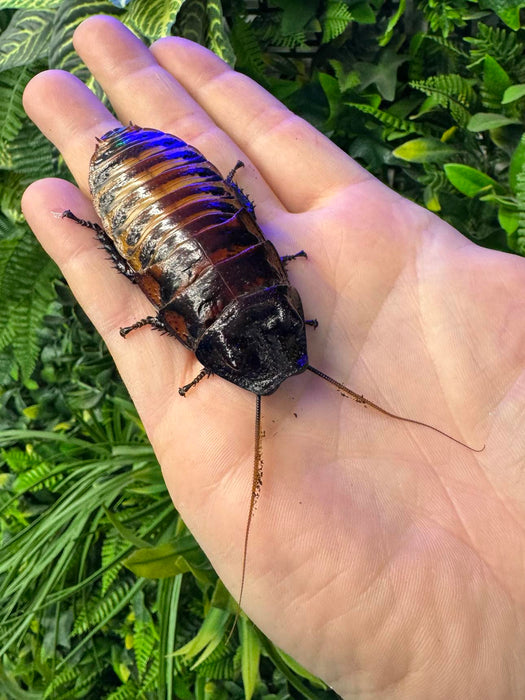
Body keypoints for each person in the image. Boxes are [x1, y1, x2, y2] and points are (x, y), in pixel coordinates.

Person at [22, 15, 525, 699]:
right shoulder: (229, 304)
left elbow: (213, 264)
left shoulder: (228, 314)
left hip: (165, 217)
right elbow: (225, 252)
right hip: (168, 193)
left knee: (161, 270)